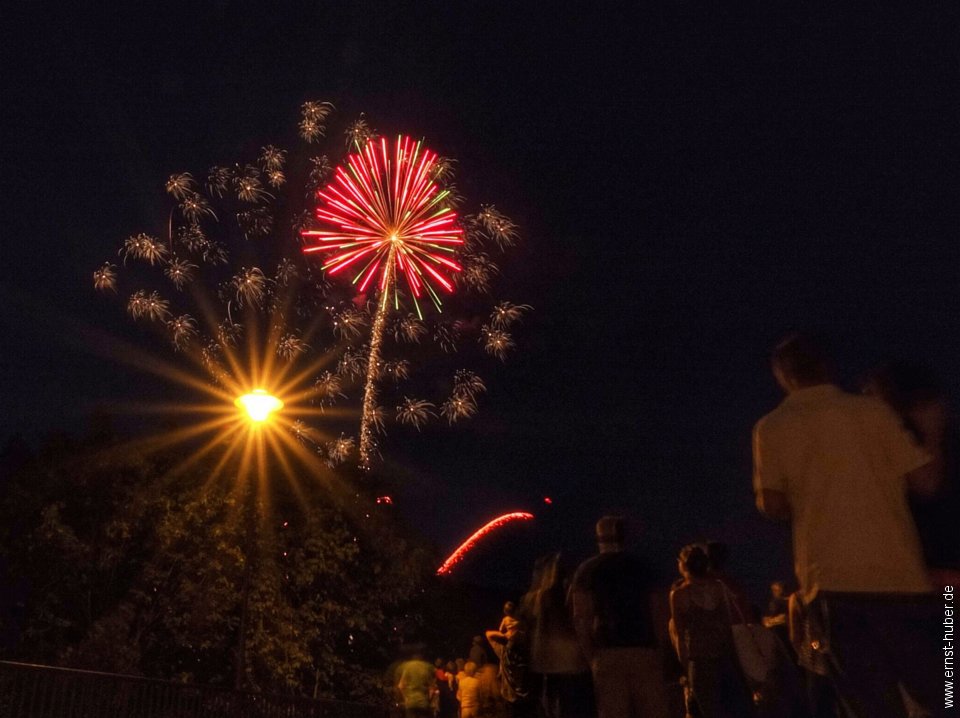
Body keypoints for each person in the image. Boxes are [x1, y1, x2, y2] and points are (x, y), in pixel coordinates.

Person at [753, 332, 946, 717]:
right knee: (941, 691)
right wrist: (933, 432)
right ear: (829, 366)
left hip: (830, 582)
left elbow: (771, 504)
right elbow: (926, 482)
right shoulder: (872, 413)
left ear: (783, 376)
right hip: (899, 576)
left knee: (868, 703)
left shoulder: (771, 428)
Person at [568, 516, 669, 717]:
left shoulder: (587, 570)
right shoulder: (644, 567)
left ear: (598, 538)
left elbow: (581, 617)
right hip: (644, 649)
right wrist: (661, 649)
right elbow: (659, 611)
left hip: (606, 652)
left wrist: (591, 656)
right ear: (625, 537)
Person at [670, 544, 752, 718]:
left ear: (684, 565)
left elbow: (679, 636)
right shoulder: (718, 588)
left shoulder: (679, 595)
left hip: (699, 662)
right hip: (723, 657)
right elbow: (727, 626)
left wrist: (685, 669)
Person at [521, 552, 594, 718]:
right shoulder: (563, 594)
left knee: (553, 707)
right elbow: (578, 620)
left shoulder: (531, 599)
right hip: (571, 662)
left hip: (544, 664)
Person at [397, 647, 437, 718]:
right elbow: (432, 688)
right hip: (423, 702)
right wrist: (428, 700)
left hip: (410, 702)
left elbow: (400, 686)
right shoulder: (426, 667)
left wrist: (406, 698)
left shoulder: (407, 666)